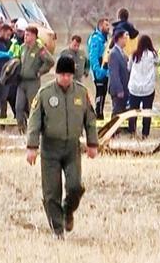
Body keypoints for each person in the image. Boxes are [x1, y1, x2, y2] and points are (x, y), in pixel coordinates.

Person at [25, 55, 98, 238]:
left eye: (69, 75)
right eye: (62, 74)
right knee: (51, 192)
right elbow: (34, 122)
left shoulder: (81, 93)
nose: (65, 78)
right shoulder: (45, 93)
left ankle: (68, 210)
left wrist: (92, 143)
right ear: (56, 74)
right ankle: (57, 230)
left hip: (72, 148)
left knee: (75, 186)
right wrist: (32, 147)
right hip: (50, 148)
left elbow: (90, 119)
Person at [16, 26, 55, 132]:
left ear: (33, 36)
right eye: (25, 34)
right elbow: (19, 60)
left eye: (27, 35)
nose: (25, 37)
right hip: (21, 82)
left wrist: (40, 71)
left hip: (33, 82)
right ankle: (21, 130)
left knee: (33, 107)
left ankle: (34, 130)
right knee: (18, 107)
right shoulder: (22, 47)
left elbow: (50, 61)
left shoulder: (40, 48)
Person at [127, 34, 159, 138]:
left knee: (133, 111)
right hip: (148, 88)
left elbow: (129, 67)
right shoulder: (153, 55)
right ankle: (145, 134)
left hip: (134, 88)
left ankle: (132, 131)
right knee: (147, 112)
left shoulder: (134, 55)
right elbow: (158, 62)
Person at [87, 18, 111, 119]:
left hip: (105, 70)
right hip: (99, 71)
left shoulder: (104, 38)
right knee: (100, 93)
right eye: (106, 25)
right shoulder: (96, 39)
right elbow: (93, 56)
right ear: (101, 26)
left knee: (103, 93)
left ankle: (100, 114)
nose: (108, 27)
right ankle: (98, 115)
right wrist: (98, 71)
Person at [59, 35, 92, 101]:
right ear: (71, 42)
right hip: (68, 80)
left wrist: (86, 71)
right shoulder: (64, 53)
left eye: (78, 46)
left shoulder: (82, 53)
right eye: (74, 45)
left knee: (79, 96)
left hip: (79, 80)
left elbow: (87, 63)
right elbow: (60, 66)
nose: (76, 47)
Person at [106, 30, 130, 114]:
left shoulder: (122, 53)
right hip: (118, 91)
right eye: (124, 38)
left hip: (124, 89)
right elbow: (114, 74)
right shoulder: (114, 53)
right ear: (119, 39)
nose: (126, 40)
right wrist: (119, 90)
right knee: (117, 113)